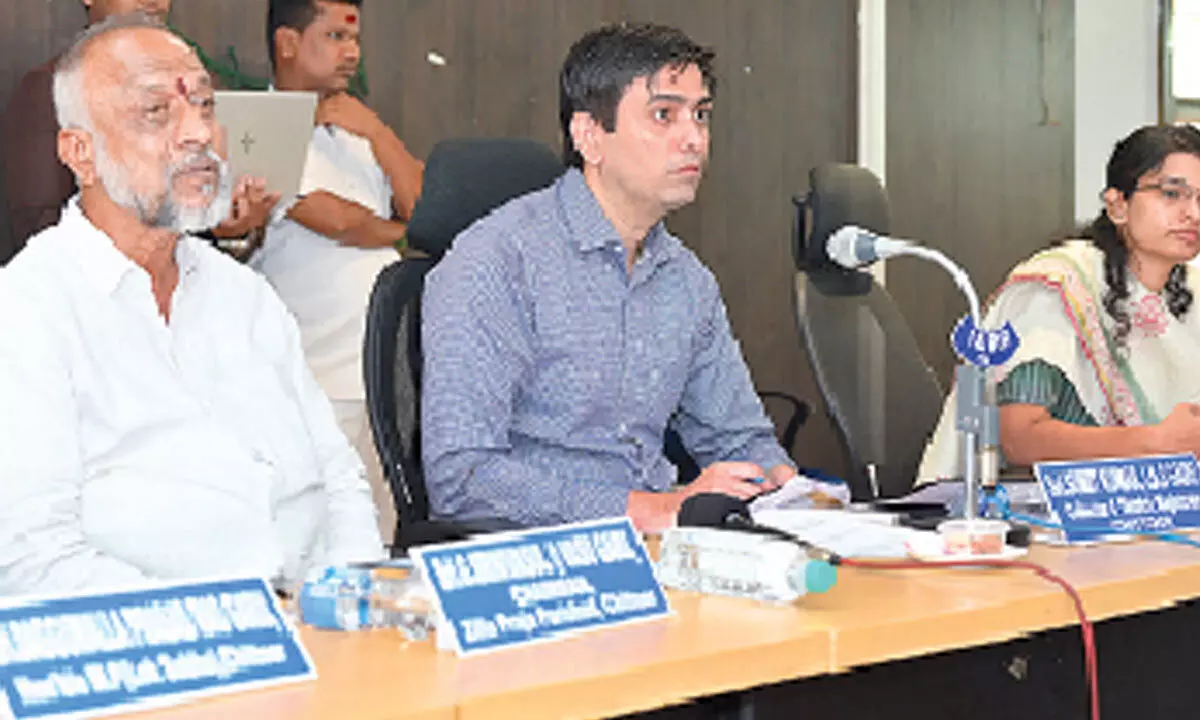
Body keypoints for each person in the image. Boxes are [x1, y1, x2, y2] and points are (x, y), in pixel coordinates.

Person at [0, 14, 384, 595]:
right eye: (158, 112)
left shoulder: (246, 297)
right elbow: (34, 561)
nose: (199, 134)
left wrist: (356, 602)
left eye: (205, 106)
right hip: (168, 657)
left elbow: (339, 481)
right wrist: (241, 624)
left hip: (321, 632)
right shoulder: (30, 310)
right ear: (80, 154)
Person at [421, 23, 797, 532]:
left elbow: (738, 438)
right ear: (590, 136)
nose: (694, 139)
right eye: (664, 115)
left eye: (701, 115)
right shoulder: (496, 262)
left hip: (664, 551)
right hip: (537, 559)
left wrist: (792, 495)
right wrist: (654, 509)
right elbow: (463, 479)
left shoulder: (687, 280)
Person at [918, 124, 1200, 480]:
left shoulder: (1191, 292)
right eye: (1172, 194)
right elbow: (1019, 437)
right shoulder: (1059, 285)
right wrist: (1152, 443)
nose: (1192, 213)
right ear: (1117, 206)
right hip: (1046, 511)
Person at [254, 0, 424, 539]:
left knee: (378, 537)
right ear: (287, 43)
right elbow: (337, 221)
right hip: (311, 376)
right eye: (332, 37)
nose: (351, 52)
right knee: (312, 544)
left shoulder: (357, 126)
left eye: (354, 39)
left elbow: (426, 207)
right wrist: (402, 232)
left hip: (379, 376)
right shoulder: (256, 129)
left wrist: (375, 131)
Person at [1, 0, 277, 264]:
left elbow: (197, 240)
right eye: (155, 109)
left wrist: (229, 233)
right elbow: (38, 229)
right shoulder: (47, 89)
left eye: (204, 103)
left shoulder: (191, 85)